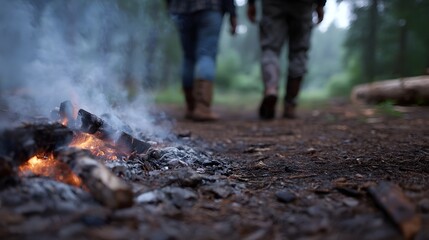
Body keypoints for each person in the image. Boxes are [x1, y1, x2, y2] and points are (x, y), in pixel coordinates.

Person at [247, 0, 326, 119]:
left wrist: (251, 3)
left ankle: (271, 89)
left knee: (270, 49)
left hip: (272, 4)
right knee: (298, 52)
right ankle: (290, 105)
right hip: (303, 5)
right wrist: (320, 4)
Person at [166, 0, 237, 121]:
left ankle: (190, 106)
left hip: (181, 10)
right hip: (210, 7)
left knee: (188, 57)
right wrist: (233, 14)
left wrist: (170, 7)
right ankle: (202, 108)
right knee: (206, 54)